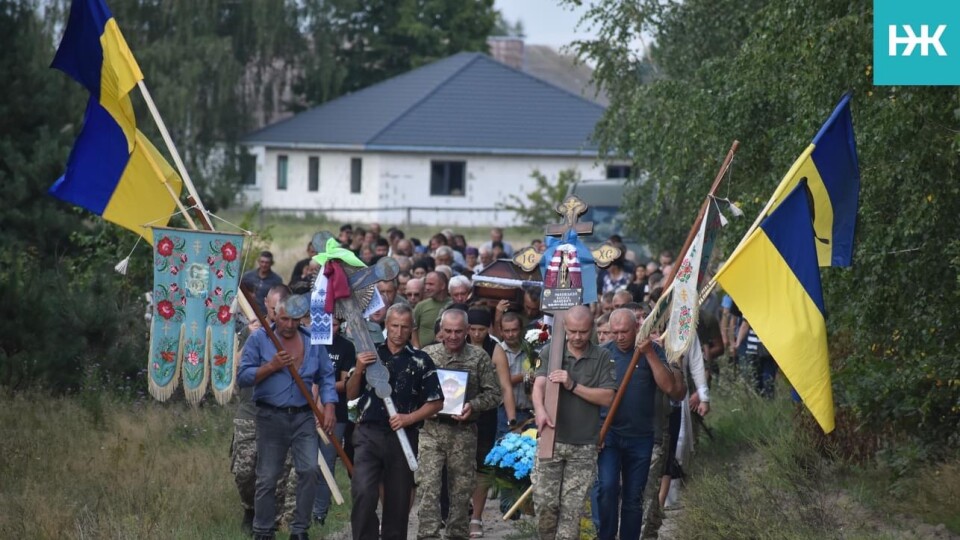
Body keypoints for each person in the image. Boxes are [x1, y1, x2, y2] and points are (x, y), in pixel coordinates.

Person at [237, 294, 337, 540]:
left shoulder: (313, 341)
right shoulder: (260, 338)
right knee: (268, 476)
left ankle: (300, 530)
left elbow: (326, 376)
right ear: (274, 316)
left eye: (294, 320)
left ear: (301, 319)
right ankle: (263, 530)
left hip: (303, 416)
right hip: (270, 416)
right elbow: (243, 377)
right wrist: (270, 366)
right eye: (284, 319)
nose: (289, 325)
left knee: (309, 470)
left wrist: (330, 407)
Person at [347, 304, 444, 540]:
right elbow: (350, 395)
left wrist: (408, 418)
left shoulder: (421, 360)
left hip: (403, 437)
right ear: (386, 326)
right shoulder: (371, 355)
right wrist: (359, 370)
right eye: (394, 326)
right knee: (363, 492)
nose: (399, 332)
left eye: (404, 327)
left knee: (398, 502)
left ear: (412, 328)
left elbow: (436, 402)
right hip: (368, 433)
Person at [595, 309, 685, 540]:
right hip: (610, 435)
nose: (619, 337)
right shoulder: (602, 354)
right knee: (606, 489)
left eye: (624, 331)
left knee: (634, 497)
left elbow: (671, 389)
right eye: (614, 332)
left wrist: (649, 354)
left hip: (641, 437)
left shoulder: (655, 351)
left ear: (637, 328)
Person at [532, 305, 617, 540]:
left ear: (591, 329)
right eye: (573, 331)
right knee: (546, 507)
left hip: (583, 446)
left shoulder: (602, 357)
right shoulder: (551, 351)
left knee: (571, 514)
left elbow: (607, 397)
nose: (578, 337)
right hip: (552, 440)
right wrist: (539, 410)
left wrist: (573, 385)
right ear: (564, 328)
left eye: (583, 332)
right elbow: (539, 384)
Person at [418, 309, 502, 540]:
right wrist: (426, 406)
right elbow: (415, 392)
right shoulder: (427, 355)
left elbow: (495, 394)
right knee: (428, 488)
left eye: (458, 331)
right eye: (448, 331)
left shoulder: (479, 357)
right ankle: (427, 536)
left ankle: (457, 535)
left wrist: (472, 406)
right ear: (440, 331)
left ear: (467, 331)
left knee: (461, 492)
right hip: (431, 432)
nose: (453, 336)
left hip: (463, 433)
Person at [231, 285, 290, 534]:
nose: (276, 313)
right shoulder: (250, 330)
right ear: (266, 304)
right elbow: (232, 369)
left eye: (282, 310)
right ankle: (250, 507)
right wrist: (251, 340)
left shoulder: (294, 333)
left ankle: (269, 525)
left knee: (276, 474)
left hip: (280, 414)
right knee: (244, 470)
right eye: (273, 308)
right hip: (250, 411)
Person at [312, 317, 356, 526]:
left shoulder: (346, 347)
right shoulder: (310, 340)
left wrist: (322, 390)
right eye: (326, 323)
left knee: (327, 462)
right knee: (306, 463)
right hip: (307, 409)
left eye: (336, 325)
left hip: (335, 412)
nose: (331, 328)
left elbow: (346, 382)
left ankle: (319, 513)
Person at [411, 271, 450, 348]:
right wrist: (417, 350)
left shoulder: (452, 305)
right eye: (426, 284)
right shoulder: (421, 306)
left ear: (443, 285)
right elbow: (413, 329)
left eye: (431, 284)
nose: (427, 288)